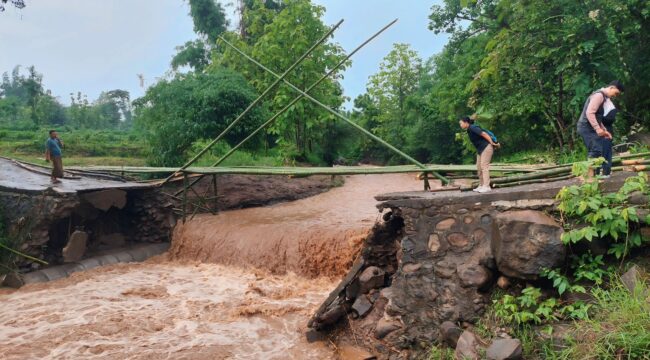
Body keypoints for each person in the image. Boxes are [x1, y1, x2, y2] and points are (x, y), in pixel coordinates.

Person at [577, 80, 624, 177]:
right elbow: (590, 113)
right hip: (586, 127)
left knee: (598, 150)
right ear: (612, 87)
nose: (615, 95)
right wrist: (598, 129)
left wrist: (604, 130)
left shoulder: (603, 97)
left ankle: (595, 176)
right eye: (616, 93)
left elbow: (597, 117)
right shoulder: (599, 96)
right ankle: (590, 177)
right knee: (595, 150)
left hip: (590, 127)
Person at [459, 117, 499, 193]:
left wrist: (491, 143)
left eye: (461, 123)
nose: (460, 125)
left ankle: (487, 186)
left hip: (486, 147)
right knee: (479, 167)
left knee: (484, 166)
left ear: (466, 122)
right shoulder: (469, 129)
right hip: (480, 149)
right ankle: (481, 185)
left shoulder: (473, 127)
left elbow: (484, 134)